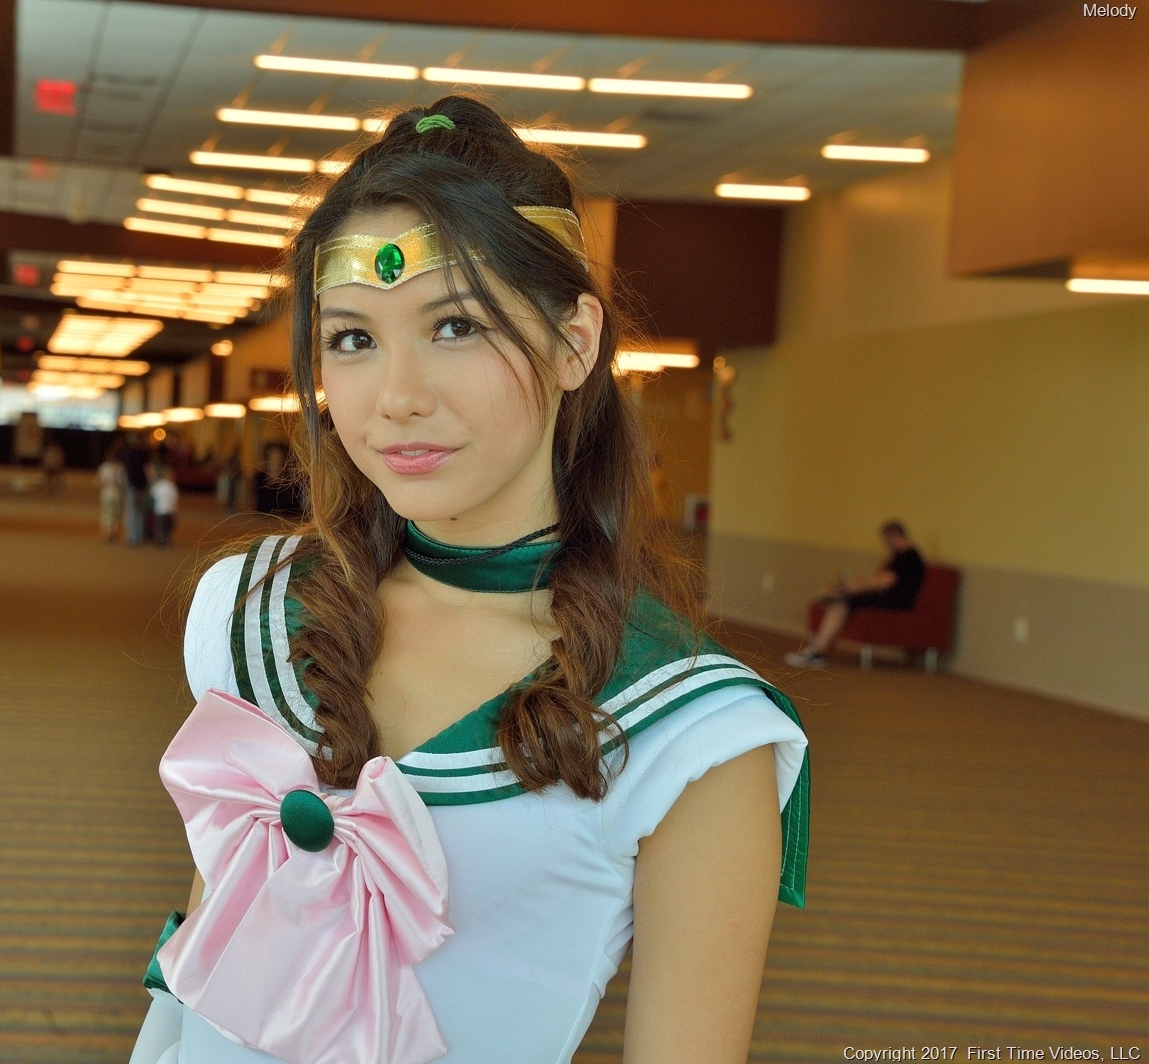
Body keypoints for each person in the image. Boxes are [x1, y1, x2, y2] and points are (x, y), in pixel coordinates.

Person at [129, 97, 810, 1064]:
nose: (397, 396)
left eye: (454, 325)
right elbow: (212, 937)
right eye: (353, 339)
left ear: (575, 343)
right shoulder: (254, 610)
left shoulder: (688, 727)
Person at [785, 520, 926, 668]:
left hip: (897, 601)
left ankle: (817, 651)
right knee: (841, 598)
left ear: (893, 536)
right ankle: (818, 648)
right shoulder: (900, 555)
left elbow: (886, 581)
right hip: (889, 597)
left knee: (843, 601)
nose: (884, 543)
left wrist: (859, 585)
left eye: (885, 539)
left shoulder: (909, 556)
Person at [120, 433, 150, 546]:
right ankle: (139, 536)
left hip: (131, 484)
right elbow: (148, 469)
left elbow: (123, 469)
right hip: (142, 485)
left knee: (132, 511)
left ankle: (131, 537)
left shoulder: (126, 453)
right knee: (140, 512)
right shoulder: (144, 453)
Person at [97, 442, 127, 542]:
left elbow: (99, 481)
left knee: (107, 514)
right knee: (115, 514)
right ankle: (113, 532)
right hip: (117, 494)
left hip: (106, 494)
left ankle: (108, 532)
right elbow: (123, 482)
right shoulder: (120, 467)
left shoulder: (104, 467)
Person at [149, 463, 179, 548]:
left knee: (159, 526)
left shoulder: (159, 484)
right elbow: (175, 499)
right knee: (168, 527)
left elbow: (152, 495)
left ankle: (159, 540)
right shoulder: (172, 486)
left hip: (159, 510)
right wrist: (176, 511)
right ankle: (166, 540)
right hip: (169, 510)